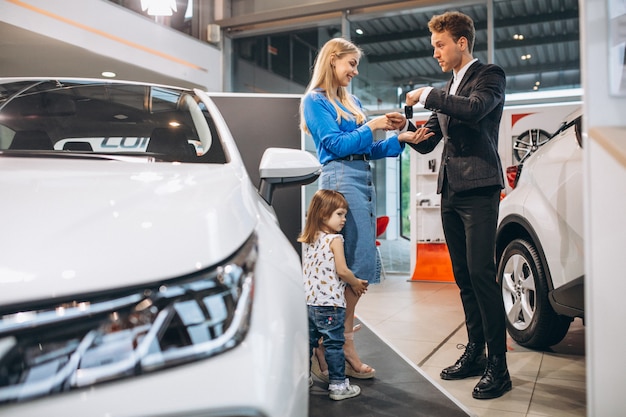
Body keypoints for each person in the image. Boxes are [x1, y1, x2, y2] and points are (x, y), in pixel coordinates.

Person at [399, 11, 512, 399]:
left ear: (462, 42)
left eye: (440, 45)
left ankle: (499, 366)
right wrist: (410, 134)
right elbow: (433, 137)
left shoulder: (489, 76)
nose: (435, 53)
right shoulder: (451, 85)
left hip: (480, 187)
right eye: (434, 46)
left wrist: (429, 94)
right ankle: (476, 354)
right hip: (451, 190)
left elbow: (475, 109)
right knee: (463, 277)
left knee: (482, 275)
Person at [300, 37, 417, 380]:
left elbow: (366, 150)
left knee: (358, 263)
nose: (354, 71)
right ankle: (341, 341)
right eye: (351, 64)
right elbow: (335, 146)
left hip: (361, 180)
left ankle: (334, 339)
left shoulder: (352, 101)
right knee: (347, 266)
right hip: (340, 181)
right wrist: (374, 125)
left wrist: (399, 140)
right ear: (333, 60)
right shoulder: (315, 101)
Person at [299, 189, 370, 401]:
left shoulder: (309, 239)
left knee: (308, 343)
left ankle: (303, 377)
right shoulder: (334, 240)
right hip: (330, 305)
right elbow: (342, 270)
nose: (344, 219)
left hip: (309, 304)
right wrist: (356, 283)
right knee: (334, 346)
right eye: (340, 214)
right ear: (323, 213)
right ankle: (338, 385)